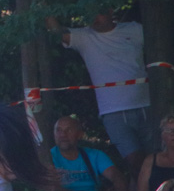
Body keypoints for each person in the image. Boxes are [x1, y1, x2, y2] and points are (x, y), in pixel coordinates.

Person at [46, 10, 153, 181]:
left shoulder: (134, 29)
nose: (94, 18)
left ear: (111, 12)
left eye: (99, 13)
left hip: (147, 105)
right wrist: (43, 7)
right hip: (113, 112)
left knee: (157, 158)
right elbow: (59, 33)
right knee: (135, 162)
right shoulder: (85, 37)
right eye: (90, 14)